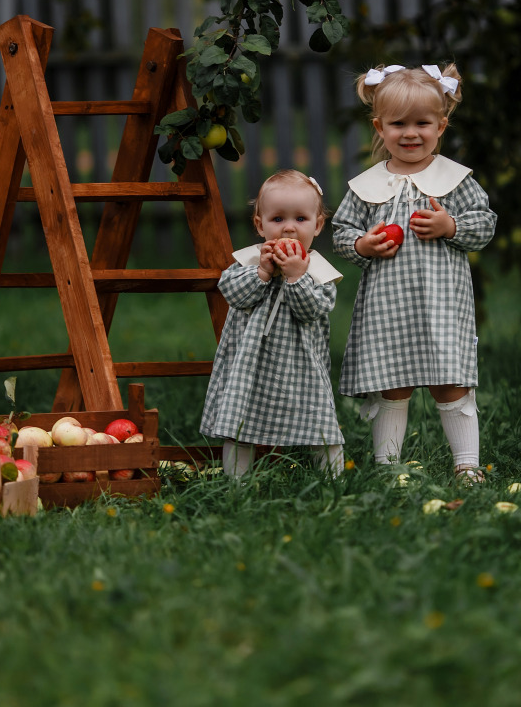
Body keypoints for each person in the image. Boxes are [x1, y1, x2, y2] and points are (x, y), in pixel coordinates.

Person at [332, 63, 497, 483]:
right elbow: (341, 232)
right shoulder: (366, 186)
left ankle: (467, 465)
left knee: (451, 383)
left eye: (422, 123)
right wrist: (362, 244)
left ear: (440, 126)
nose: (410, 133)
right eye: (398, 123)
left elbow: (484, 223)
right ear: (379, 126)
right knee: (392, 384)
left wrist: (451, 226)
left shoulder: (455, 181)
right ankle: (388, 469)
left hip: (443, 306)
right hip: (389, 309)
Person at [201, 169, 345, 478]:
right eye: (278, 219)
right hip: (251, 365)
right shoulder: (248, 263)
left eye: (301, 219)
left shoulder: (319, 272)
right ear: (260, 225)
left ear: (318, 225)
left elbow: (312, 309)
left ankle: (332, 479)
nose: (289, 229)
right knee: (241, 421)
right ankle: (234, 483)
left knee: (320, 419)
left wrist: (295, 276)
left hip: (301, 366)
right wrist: (263, 272)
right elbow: (234, 294)